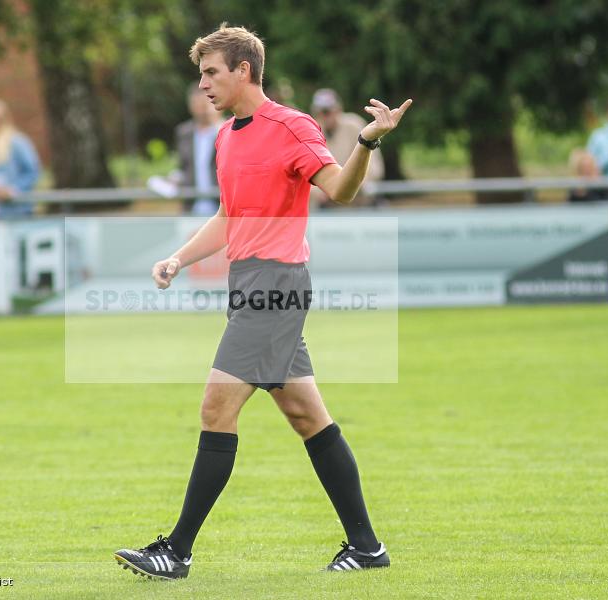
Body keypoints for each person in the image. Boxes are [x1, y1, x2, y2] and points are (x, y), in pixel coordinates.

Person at [113, 23, 412, 579]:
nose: (203, 84)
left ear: (243, 70)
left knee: (215, 408)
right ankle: (367, 548)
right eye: (201, 74)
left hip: (277, 287)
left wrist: (367, 141)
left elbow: (341, 191)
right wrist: (179, 257)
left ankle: (175, 552)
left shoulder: (292, 126)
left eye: (211, 73)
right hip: (248, 285)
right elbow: (230, 217)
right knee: (306, 415)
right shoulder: (227, 137)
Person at [310, 88, 384, 208]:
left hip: (360, 204)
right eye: (320, 112)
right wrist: (323, 191)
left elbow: (375, 168)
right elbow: (307, 171)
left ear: (338, 110)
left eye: (327, 111)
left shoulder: (353, 125)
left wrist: (346, 187)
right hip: (328, 208)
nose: (324, 116)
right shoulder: (312, 131)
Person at [174, 82, 224, 215]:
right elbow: (183, 167)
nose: (204, 108)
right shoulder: (183, 133)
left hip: (222, 209)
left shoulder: (230, 131)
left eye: (207, 103)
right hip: (191, 208)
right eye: (199, 104)